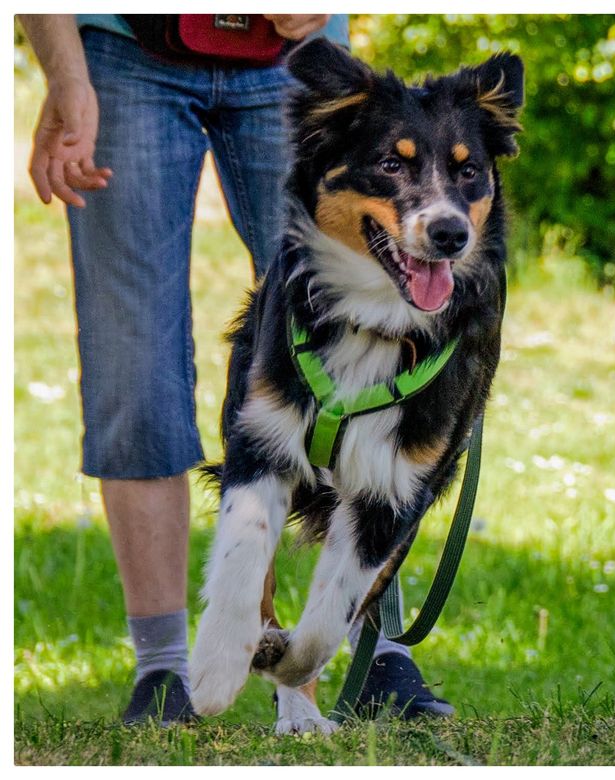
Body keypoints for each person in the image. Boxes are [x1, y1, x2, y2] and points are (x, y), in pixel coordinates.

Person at [19, 13, 454, 725]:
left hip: (299, 61)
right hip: (125, 51)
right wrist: (67, 74)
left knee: (372, 337)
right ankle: (163, 675)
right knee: (134, 363)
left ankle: (376, 654)